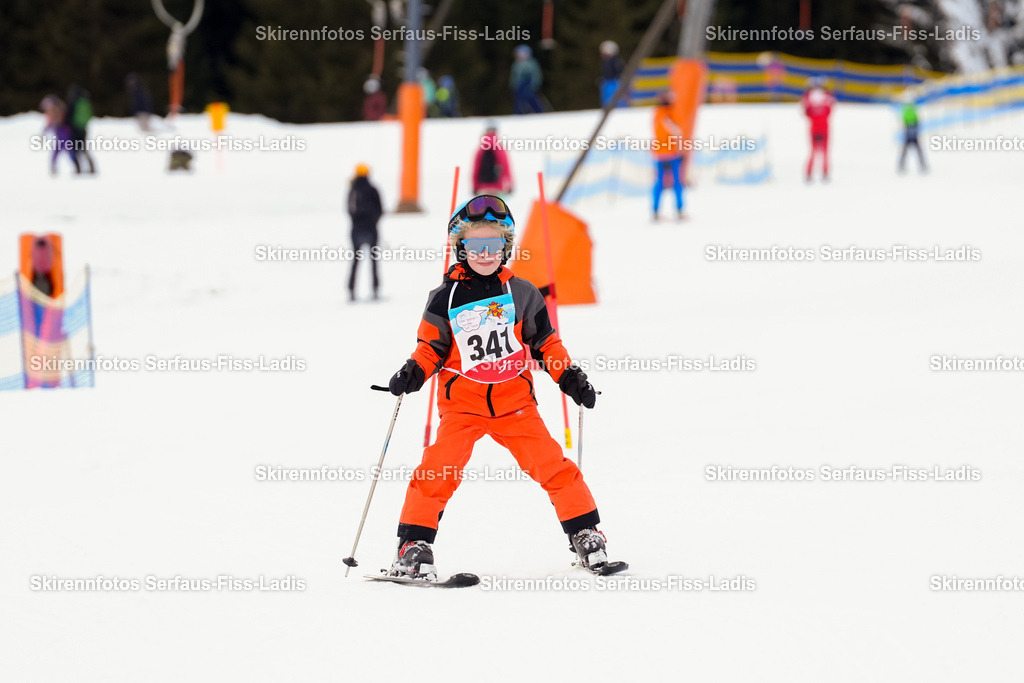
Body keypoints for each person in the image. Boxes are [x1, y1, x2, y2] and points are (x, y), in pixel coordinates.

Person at [384, 195, 614, 580]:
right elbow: (431, 347)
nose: (485, 254)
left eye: (494, 245)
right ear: (462, 248)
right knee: (436, 471)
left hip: (515, 405)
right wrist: (414, 371)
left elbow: (545, 343)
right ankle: (413, 547)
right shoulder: (445, 298)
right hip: (462, 405)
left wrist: (568, 376)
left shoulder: (522, 293)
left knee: (554, 467)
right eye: (476, 246)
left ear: (505, 247)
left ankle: (585, 533)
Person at [347, 163, 383, 301]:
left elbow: (349, 210)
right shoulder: (373, 189)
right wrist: (372, 222)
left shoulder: (353, 190)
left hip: (356, 230)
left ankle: (351, 290)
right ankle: (375, 289)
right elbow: (380, 209)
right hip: (371, 230)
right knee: (373, 260)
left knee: (355, 261)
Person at [652, 92, 685, 221]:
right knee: (677, 183)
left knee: (659, 183)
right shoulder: (670, 115)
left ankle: (655, 210)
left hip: (659, 155)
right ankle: (679, 210)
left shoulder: (657, 115)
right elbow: (677, 133)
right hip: (671, 154)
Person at [802, 77, 835, 182]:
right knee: (824, 152)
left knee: (813, 151)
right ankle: (825, 173)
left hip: (814, 128)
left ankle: (809, 173)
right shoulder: (827, 97)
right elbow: (830, 110)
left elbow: (806, 112)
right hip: (824, 127)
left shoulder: (808, 98)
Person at [40, 95, 80, 175]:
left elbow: (55, 121)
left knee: (67, 150)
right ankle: (54, 169)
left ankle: (77, 168)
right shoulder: (59, 108)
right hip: (61, 133)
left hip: (63, 133)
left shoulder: (57, 109)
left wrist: (47, 128)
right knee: (58, 151)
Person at [472, 125, 513, 196]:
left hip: (482, 187)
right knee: (497, 206)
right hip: (497, 187)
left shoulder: (480, 149)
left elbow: (476, 169)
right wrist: (509, 183)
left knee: (483, 207)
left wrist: (475, 186)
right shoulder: (499, 148)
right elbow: (505, 167)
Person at [66, 85, 97, 174]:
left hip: (75, 129)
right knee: (83, 149)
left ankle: (78, 168)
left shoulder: (73, 100)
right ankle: (91, 167)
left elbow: (69, 116)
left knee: (75, 149)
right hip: (83, 128)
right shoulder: (85, 101)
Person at [509, 45, 544, 114]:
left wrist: (535, 84)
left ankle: (539, 112)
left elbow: (536, 74)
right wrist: (513, 85)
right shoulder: (516, 64)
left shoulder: (532, 63)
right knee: (519, 101)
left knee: (532, 99)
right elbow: (514, 76)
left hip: (529, 85)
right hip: (519, 86)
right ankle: (518, 113)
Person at [898, 96, 928, 174]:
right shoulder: (913, 109)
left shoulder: (905, 110)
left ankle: (901, 165)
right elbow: (917, 121)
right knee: (917, 150)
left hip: (909, 132)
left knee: (906, 150)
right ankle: (923, 165)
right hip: (912, 132)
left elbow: (904, 121)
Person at [599, 40, 625, 107]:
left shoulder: (615, 60)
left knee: (614, 99)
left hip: (614, 82)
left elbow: (620, 71)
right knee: (607, 101)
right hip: (607, 82)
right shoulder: (606, 61)